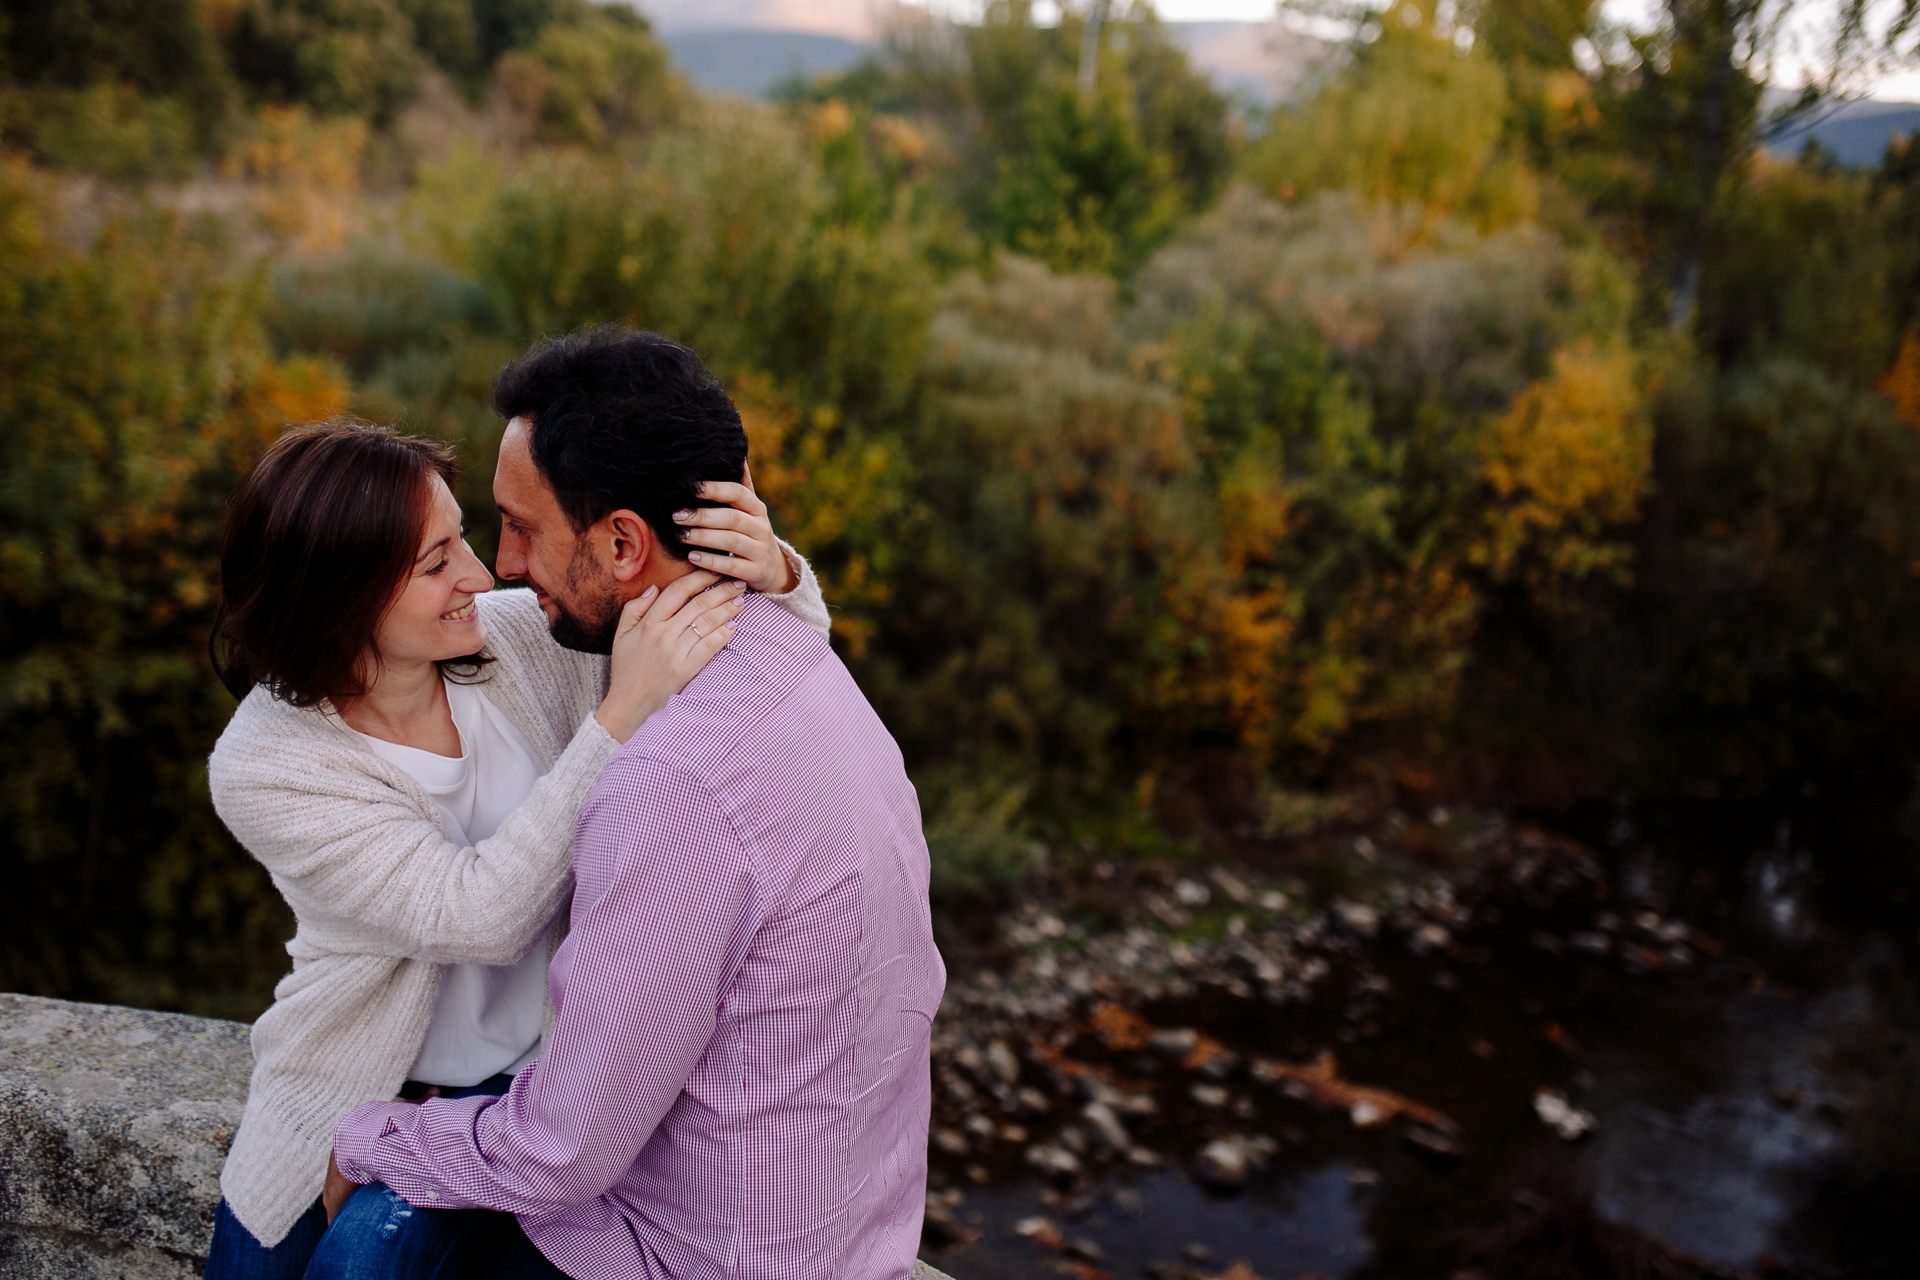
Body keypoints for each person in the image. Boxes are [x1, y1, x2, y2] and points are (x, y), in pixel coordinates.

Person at [316, 326, 947, 1280]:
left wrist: (368, 1137)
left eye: (522, 527)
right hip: (846, 1239)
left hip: (699, 1259)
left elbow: (562, 1150)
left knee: (364, 1251)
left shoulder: (676, 778)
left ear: (622, 542)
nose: (505, 565)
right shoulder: (811, 673)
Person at [201, 396, 830, 1278]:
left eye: (463, 536)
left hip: (524, 1096)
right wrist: (618, 718)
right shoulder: (266, 762)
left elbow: (754, 667)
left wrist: (772, 573)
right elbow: (481, 913)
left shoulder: (513, 641)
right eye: (435, 562)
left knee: (363, 1268)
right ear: (342, 595)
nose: (478, 572)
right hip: (348, 1087)